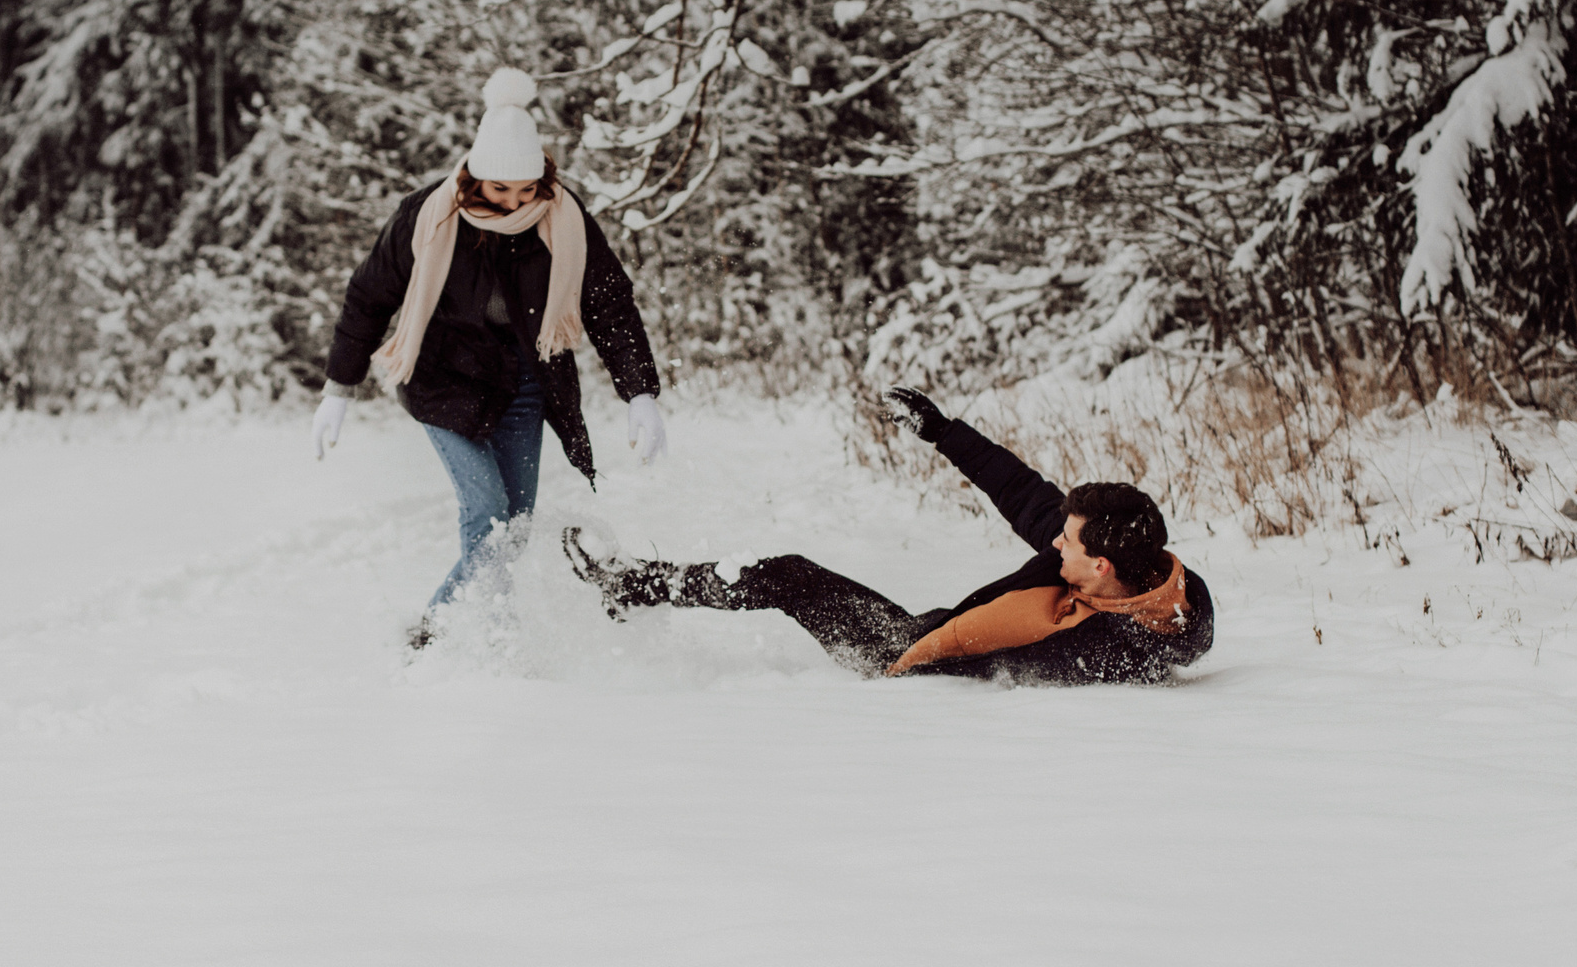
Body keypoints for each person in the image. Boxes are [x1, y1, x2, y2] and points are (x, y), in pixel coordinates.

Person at [312, 69, 667, 645]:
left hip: (524, 381)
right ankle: (475, 638)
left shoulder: (564, 216)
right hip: (441, 377)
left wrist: (640, 392)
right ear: (476, 176)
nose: (515, 201)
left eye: (527, 190)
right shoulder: (427, 215)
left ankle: (442, 629)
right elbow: (368, 296)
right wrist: (338, 387)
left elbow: (609, 304)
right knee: (488, 511)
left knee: (515, 527)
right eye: (501, 189)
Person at [561, 387, 1214, 684]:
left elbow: (998, 690)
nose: (1056, 543)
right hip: (928, 634)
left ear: (1101, 568)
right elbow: (1021, 491)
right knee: (789, 573)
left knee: (788, 575)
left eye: (1069, 543)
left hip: (904, 661)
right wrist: (943, 431)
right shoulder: (1127, 563)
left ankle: (630, 585)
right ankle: (634, 586)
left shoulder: (1112, 652)